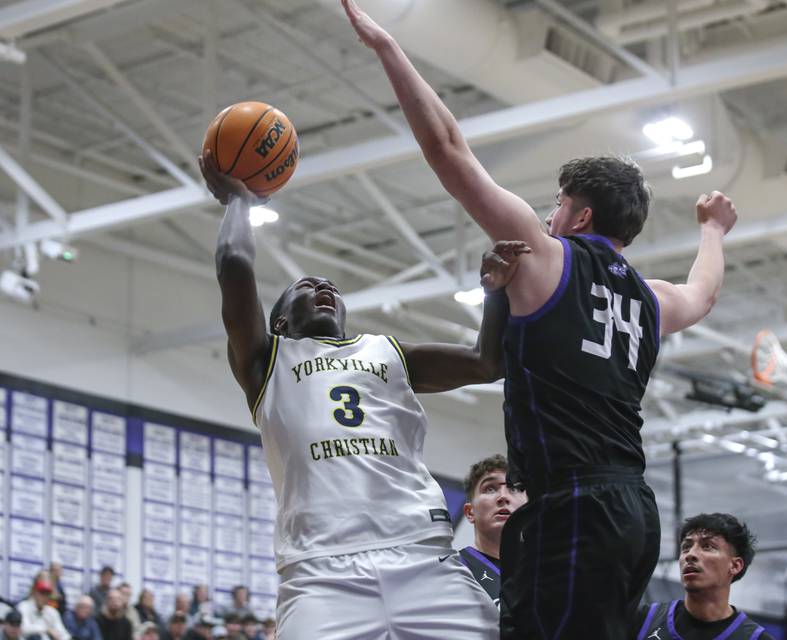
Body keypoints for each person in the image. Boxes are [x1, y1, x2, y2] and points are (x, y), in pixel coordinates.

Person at [341, 2, 739, 637]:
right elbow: (705, 292)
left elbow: (449, 151)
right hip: (633, 508)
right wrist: (713, 230)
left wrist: (389, 47)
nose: (548, 214)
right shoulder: (652, 297)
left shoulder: (548, 260)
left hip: (573, 506)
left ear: (579, 217)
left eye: (557, 204)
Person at [199, 145, 528, 640]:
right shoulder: (267, 362)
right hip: (322, 571)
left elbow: (487, 361)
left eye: (330, 285)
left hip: (421, 555)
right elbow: (234, 264)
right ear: (282, 320)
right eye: (307, 286)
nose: (323, 287)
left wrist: (495, 291)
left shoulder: (387, 352)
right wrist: (239, 202)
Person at [634, 513, 774, 639]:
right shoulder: (643, 620)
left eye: (707, 546)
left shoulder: (755, 638)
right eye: (686, 547)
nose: (690, 554)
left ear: (735, 566)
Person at [459, 454, 527, 607]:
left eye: (514, 488)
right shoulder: (452, 570)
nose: (503, 497)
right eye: (490, 489)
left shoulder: (552, 571)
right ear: (470, 512)